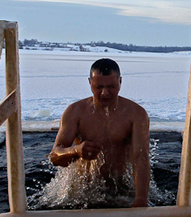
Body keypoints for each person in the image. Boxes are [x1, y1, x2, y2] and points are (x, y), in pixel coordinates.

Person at [49, 58, 150, 207]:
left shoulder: (136, 114)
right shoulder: (75, 112)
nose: (105, 93)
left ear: (120, 82)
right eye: (99, 87)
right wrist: (75, 151)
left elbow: (140, 157)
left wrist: (141, 199)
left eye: (111, 86)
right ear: (90, 83)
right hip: (84, 191)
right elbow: (54, 156)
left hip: (122, 188)